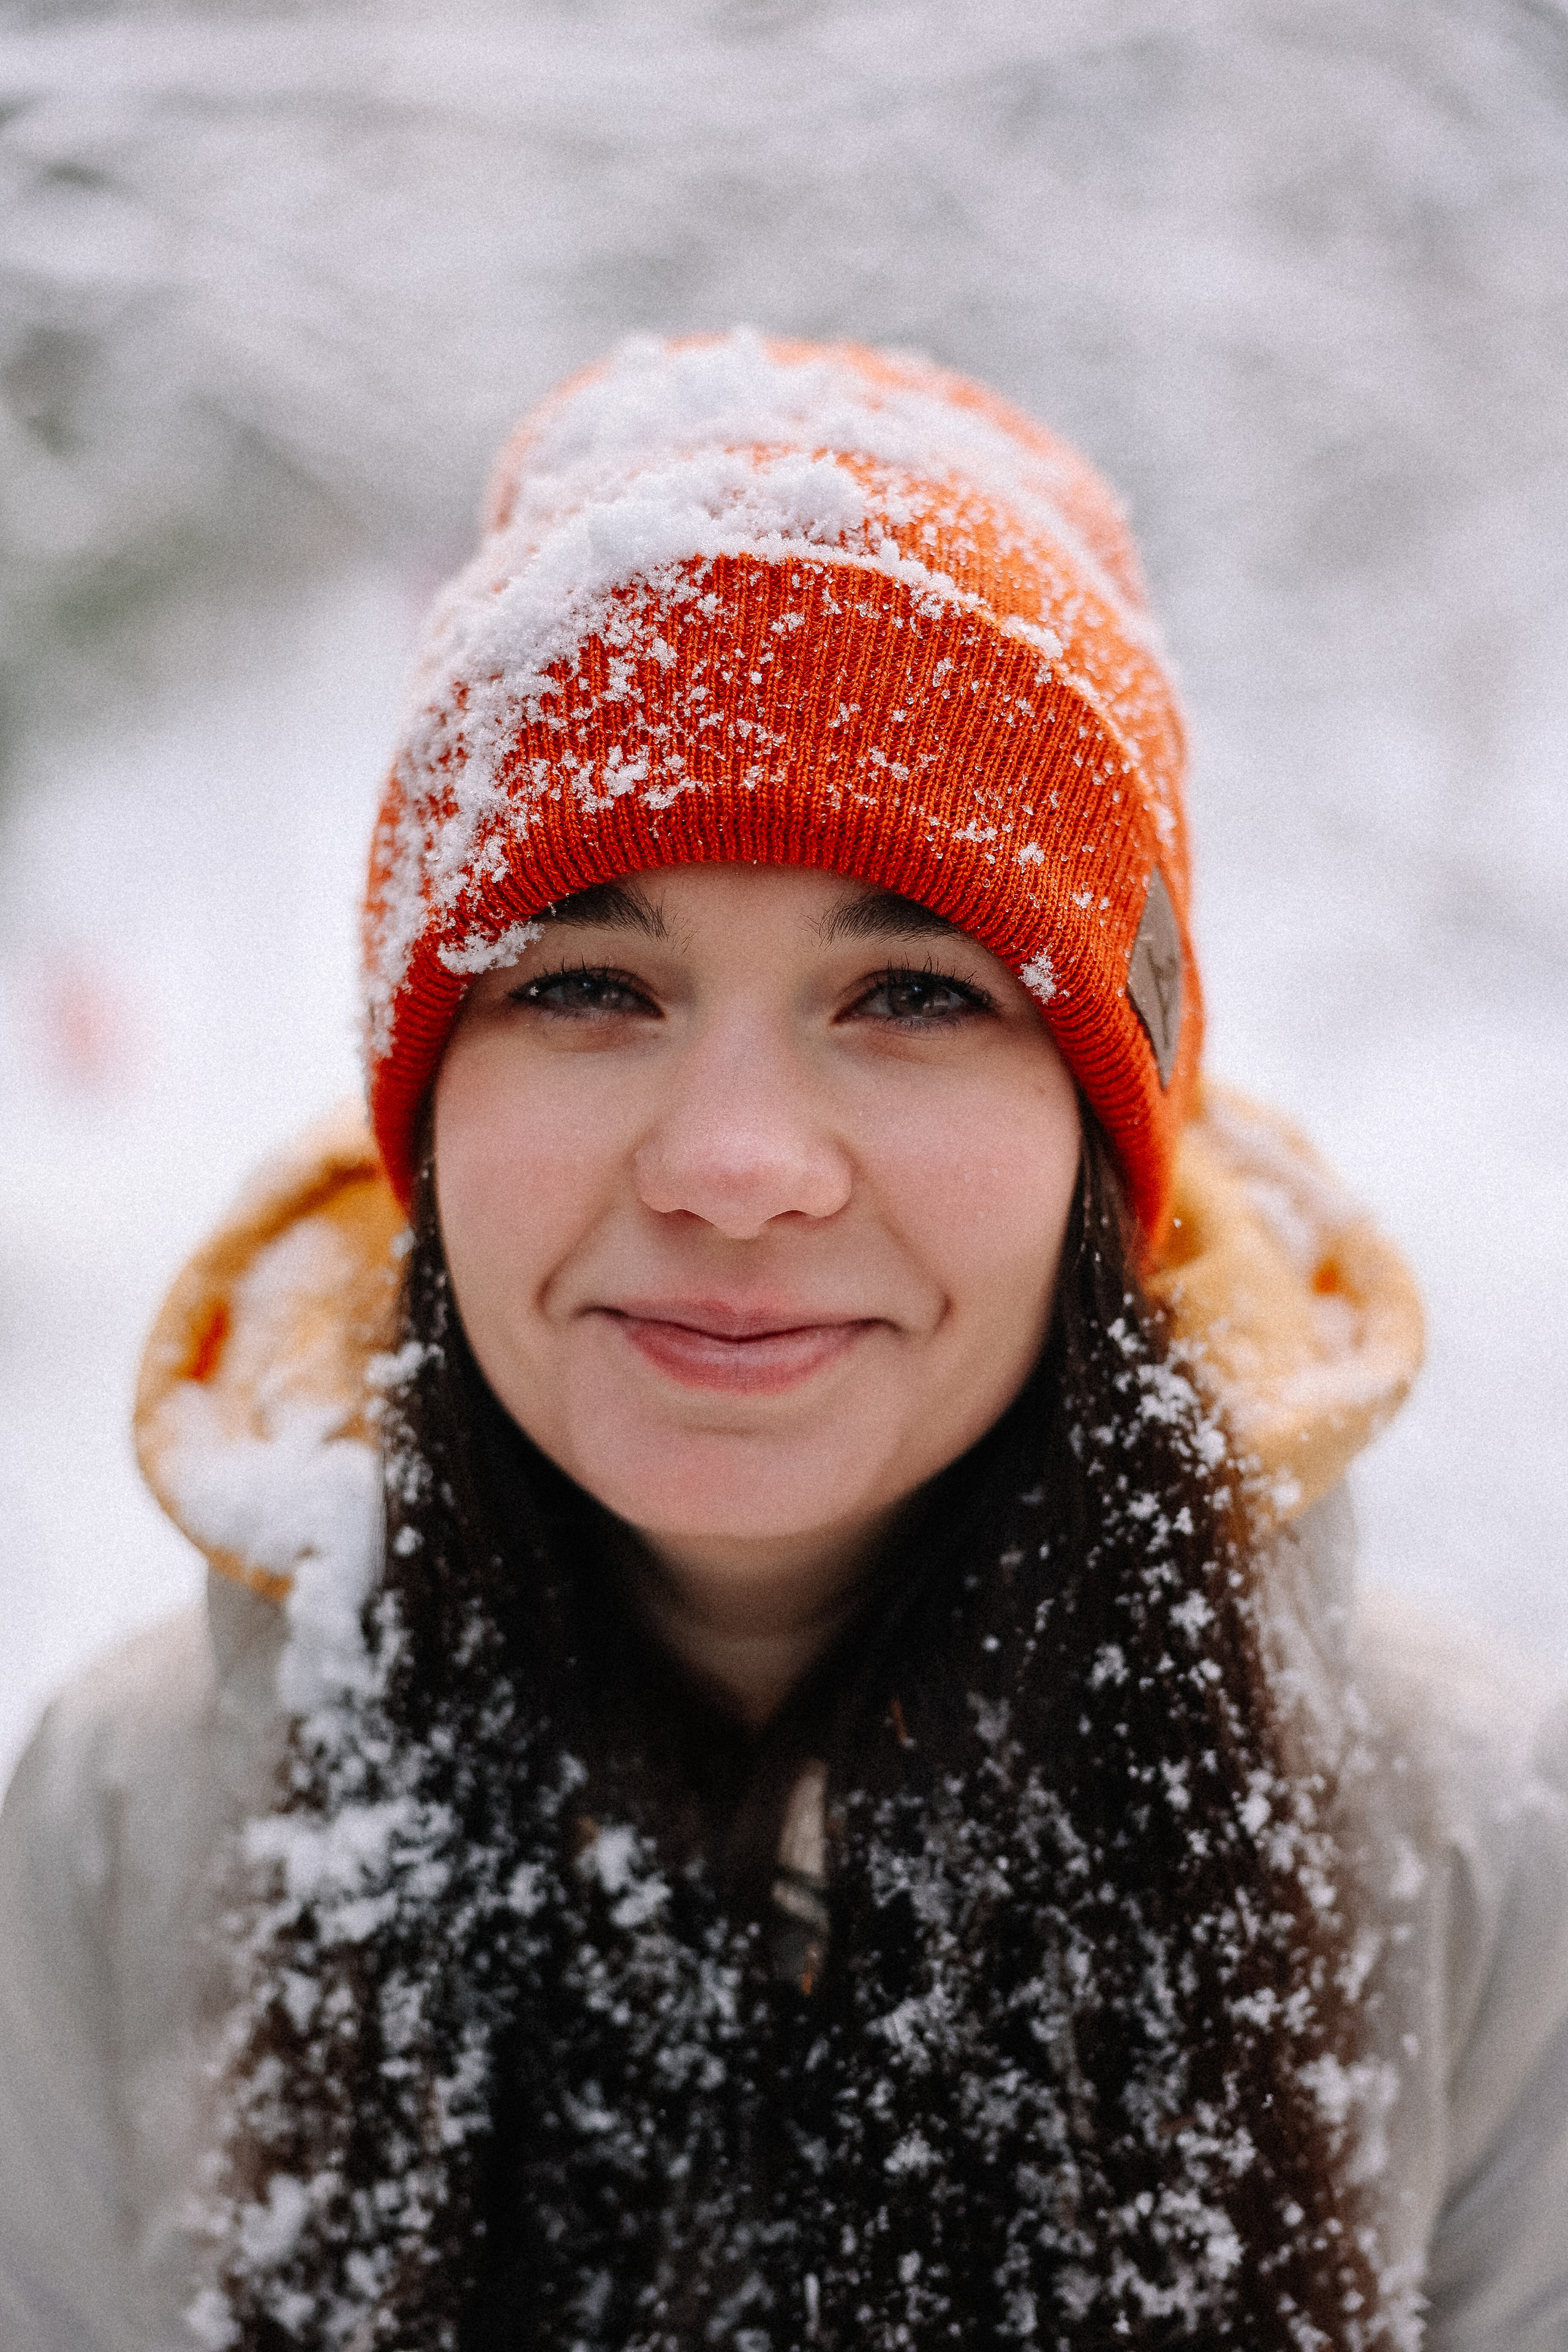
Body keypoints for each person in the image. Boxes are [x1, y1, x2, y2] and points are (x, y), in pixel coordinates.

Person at [1, 331, 1565, 2352]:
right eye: (589, 983)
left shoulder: (1467, 1843)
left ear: (1111, 1141)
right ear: (422, 1107)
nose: (736, 1167)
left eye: (912, 994)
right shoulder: (138, 1821)